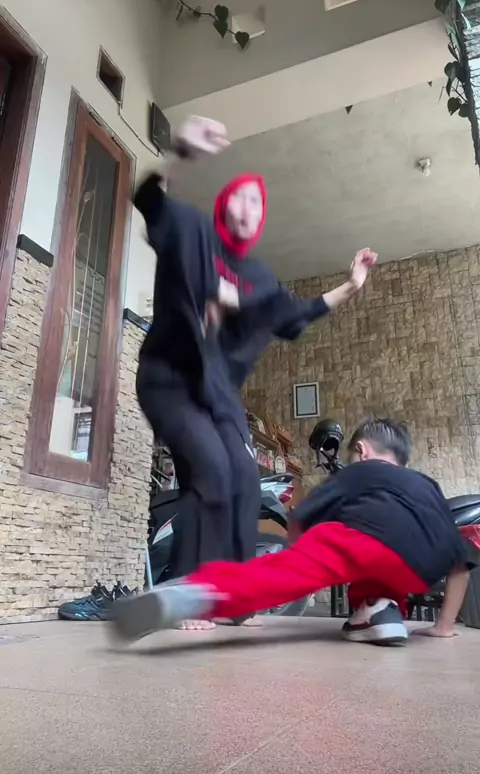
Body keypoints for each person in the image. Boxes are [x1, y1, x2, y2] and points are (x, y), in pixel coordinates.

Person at [134, 117, 377, 630]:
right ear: (225, 204)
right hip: (170, 380)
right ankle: (191, 594)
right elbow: (148, 198)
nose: (250, 208)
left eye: (258, 203)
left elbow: (296, 313)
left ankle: (235, 596)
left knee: (245, 479)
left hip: (218, 396)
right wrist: (179, 152)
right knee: (210, 469)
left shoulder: (260, 278)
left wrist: (352, 285)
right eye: (242, 198)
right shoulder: (193, 231)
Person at [111, 418, 473, 646]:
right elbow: (460, 566)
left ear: (361, 452)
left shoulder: (362, 471)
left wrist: (298, 559)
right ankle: (381, 611)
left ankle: (192, 597)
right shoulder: (427, 486)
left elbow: (301, 519)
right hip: (425, 564)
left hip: (364, 540)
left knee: (273, 576)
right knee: (385, 571)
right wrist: (443, 626)